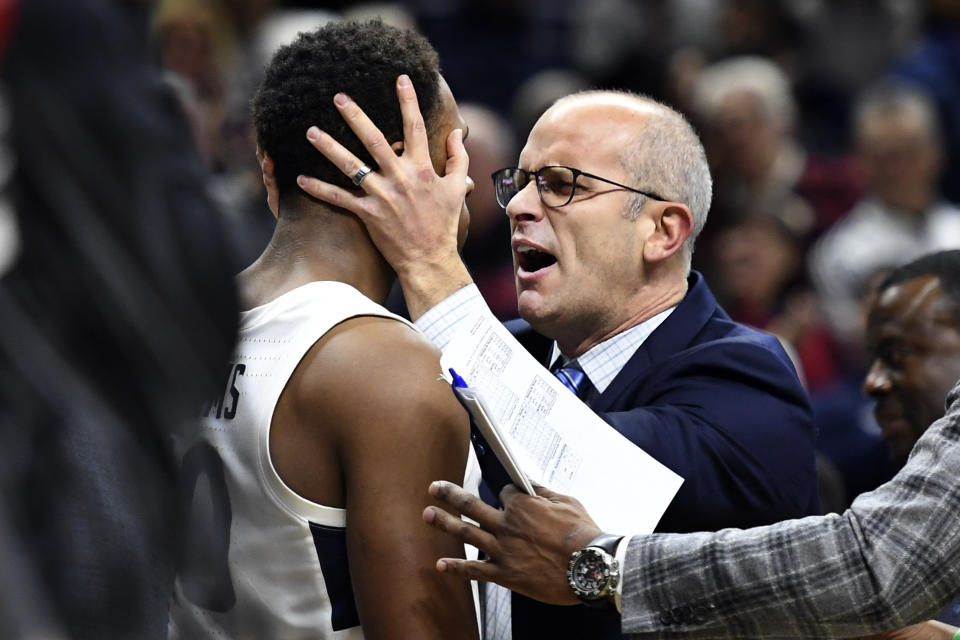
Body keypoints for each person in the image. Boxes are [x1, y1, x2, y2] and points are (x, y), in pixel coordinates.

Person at [294, 77, 819, 638]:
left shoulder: (748, 376)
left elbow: (569, 472)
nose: (519, 206)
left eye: (560, 184)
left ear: (662, 231)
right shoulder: (505, 349)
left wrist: (428, 263)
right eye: (519, 184)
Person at [167, 20, 480, 639]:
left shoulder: (181, 329)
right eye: (456, 146)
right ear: (411, 165)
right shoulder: (383, 367)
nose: (467, 176)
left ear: (266, 168)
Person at [809, 81, 960, 349]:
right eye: (884, 157)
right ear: (860, 162)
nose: (898, 168)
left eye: (910, 152)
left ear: (936, 153)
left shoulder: (956, 226)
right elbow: (850, 350)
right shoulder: (839, 253)